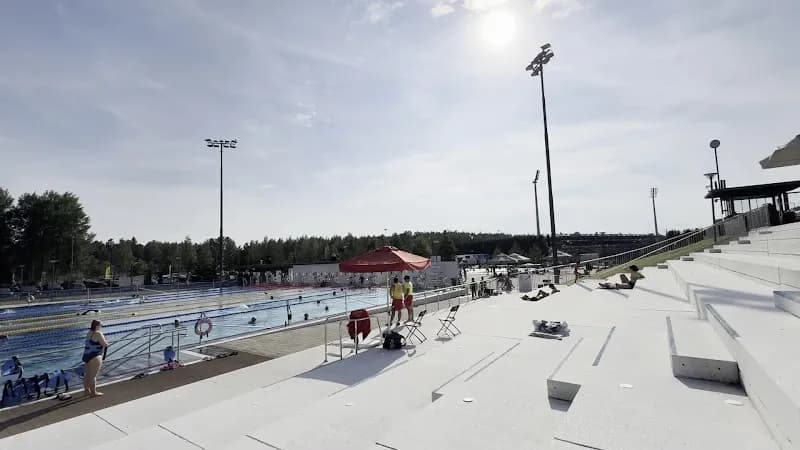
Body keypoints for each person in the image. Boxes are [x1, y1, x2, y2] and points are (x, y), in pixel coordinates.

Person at [83, 320, 109, 397]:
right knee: (93, 375)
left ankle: (87, 390)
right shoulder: (98, 333)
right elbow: (105, 344)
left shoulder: (89, 332)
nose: (102, 326)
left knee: (87, 374)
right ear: (97, 325)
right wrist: (107, 341)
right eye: (101, 325)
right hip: (95, 356)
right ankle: (94, 392)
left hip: (86, 355)